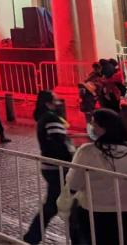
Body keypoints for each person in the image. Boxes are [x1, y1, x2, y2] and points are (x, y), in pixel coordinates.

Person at [63, 109, 127, 244]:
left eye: (94, 124)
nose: (91, 127)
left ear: (104, 129)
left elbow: (73, 184)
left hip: (96, 213)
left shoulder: (87, 151)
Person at [22, 90, 74, 244]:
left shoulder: (45, 119)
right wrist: (71, 156)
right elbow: (59, 142)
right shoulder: (51, 119)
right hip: (57, 167)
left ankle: (33, 236)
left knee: (54, 204)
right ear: (48, 103)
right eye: (54, 100)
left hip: (51, 166)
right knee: (61, 205)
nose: (57, 102)